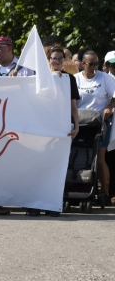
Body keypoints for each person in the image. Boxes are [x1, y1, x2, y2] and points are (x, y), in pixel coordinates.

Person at [27, 46, 80, 217]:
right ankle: (34, 204)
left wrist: (77, 125)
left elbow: (73, 106)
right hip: (42, 129)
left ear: (64, 61)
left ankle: (52, 204)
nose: (56, 61)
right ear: (48, 60)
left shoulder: (69, 79)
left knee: (56, 168)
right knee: (38, 166)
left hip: (61, 130)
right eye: (53, 58)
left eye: (60, 58)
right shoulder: (38, 78)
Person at [75, 50, 115, 204]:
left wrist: (109, 107)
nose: (95, 67)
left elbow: (114, 96)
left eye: (97, 63)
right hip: (81, 123)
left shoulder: (104, 78)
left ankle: (104, 192)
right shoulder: (76, 79)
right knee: (79, 155)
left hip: (100, 123)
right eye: (91, 64)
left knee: (100, 157)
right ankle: (77, 187)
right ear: (82, 64)